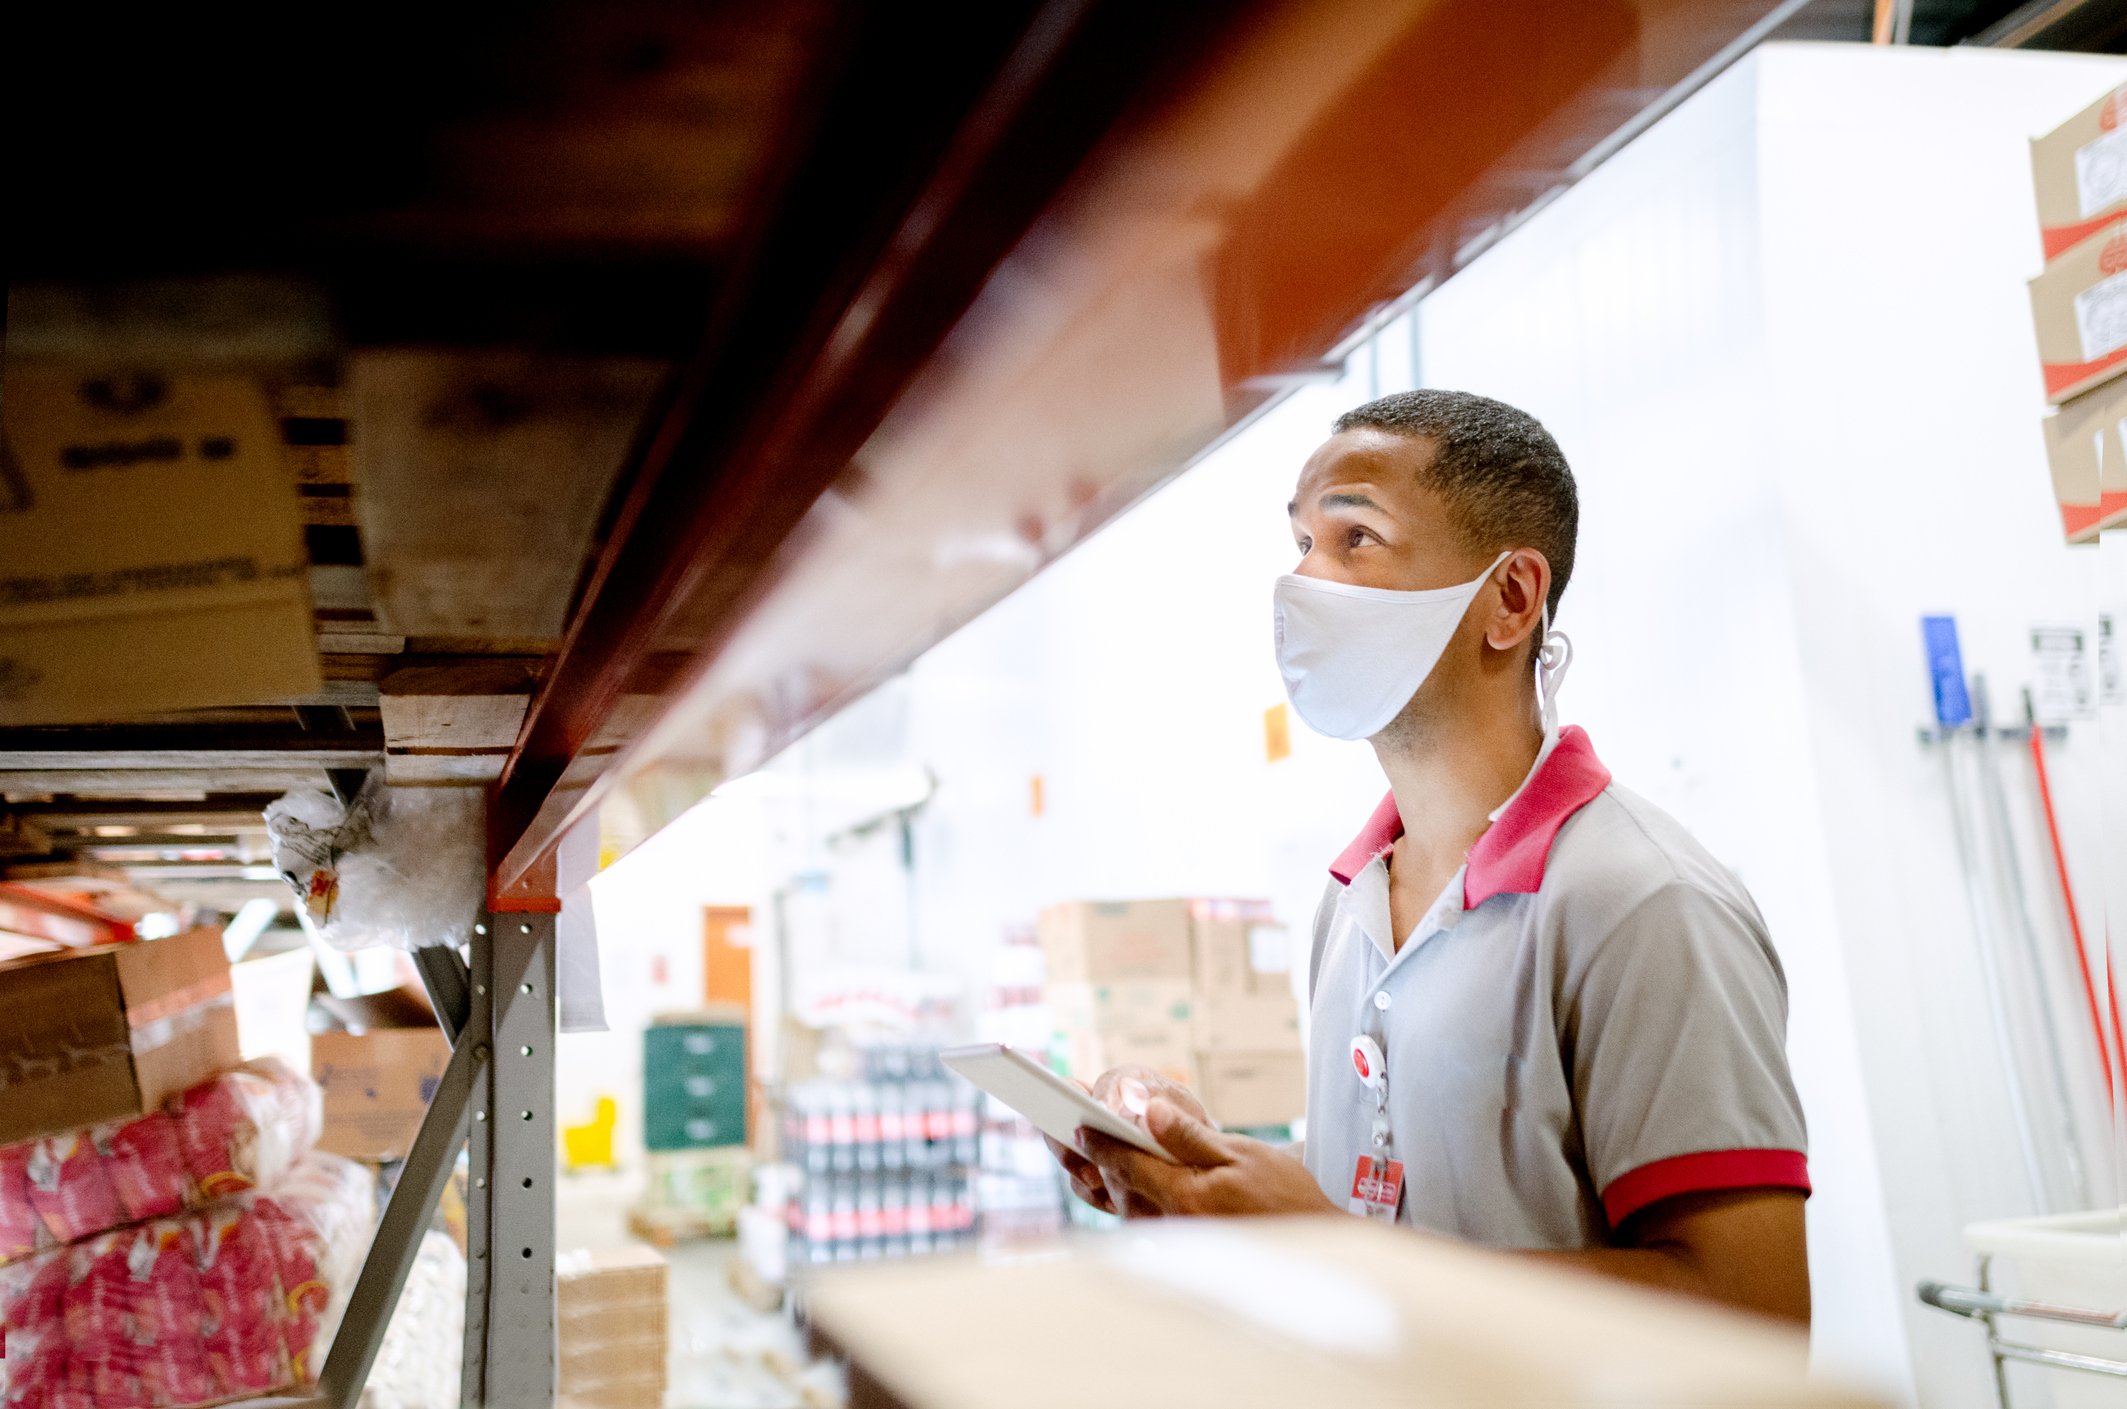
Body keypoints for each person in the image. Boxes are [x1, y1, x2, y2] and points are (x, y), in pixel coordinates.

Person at [1052, 390, 1811, 1324]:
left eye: (1354, 538)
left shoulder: (1643, 902)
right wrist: (1203, 1174)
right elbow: (1389, 1207)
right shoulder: (1353, 896)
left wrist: (1334, 1247)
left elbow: (1755, 1315)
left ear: (1510, 598)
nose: (1303, 583)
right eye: (1300, 544)